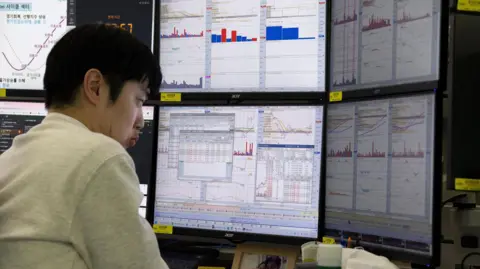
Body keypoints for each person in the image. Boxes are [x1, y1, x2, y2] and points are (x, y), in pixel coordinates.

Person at [0, 24, 168, 269]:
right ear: (95, 86)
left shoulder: (13, 156)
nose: (141, 119)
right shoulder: (99, 158)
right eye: (138, 100)